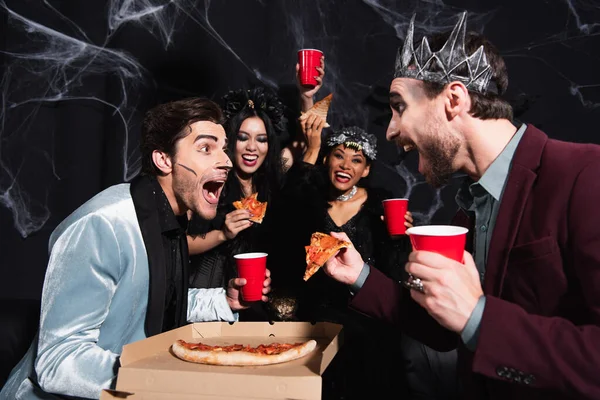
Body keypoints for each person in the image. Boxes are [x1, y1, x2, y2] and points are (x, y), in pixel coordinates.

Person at [321, 11, 600, 400]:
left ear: (454, 99)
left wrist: (480, 318)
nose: (390, 130)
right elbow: (446, 325)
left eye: (399, 106)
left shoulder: (586, 175)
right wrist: (360, 277)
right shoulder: (469, 208)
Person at [0, 98, 272, 400]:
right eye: (206, 148)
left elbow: (151, 301)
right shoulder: (103, 225)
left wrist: (225, 301)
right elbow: (59, 361)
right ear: (164, 160)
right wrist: (164, 380)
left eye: (222, 149)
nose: (226, 161)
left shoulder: (169, 222)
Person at [269, 115, 416, 399]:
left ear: (366, 169)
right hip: (317, 314)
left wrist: (398, 240)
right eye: (339, 155)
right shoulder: (309, 199)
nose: (346, 165)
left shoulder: (379, 205)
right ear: (326, 161)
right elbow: (282, 224)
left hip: (366, 317)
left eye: (356, 160)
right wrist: (310, 149)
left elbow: (394, 274)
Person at [186, 87, 288, 321]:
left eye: (261, 140)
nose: (252, 147)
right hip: (206, 301)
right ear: (229, 141)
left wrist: (307, 96)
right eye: (243, 138)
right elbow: (177, 245)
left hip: (257, 305)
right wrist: (221, 234)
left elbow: (304, 149)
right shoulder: (210, 181)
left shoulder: (272, 187)